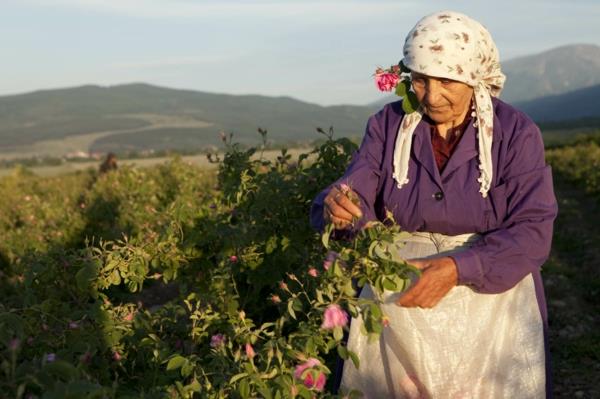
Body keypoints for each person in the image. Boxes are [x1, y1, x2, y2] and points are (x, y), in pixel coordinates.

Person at [310, 10, 557, 399]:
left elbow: (534, 229)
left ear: (474, 78)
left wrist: (459, 267)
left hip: (490, 303)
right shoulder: (388, 125)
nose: (432, 95)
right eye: (421, 80)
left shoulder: (515, 133)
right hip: (399, 294)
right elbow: (358, 183)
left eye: (447, 81)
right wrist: (339, 204)